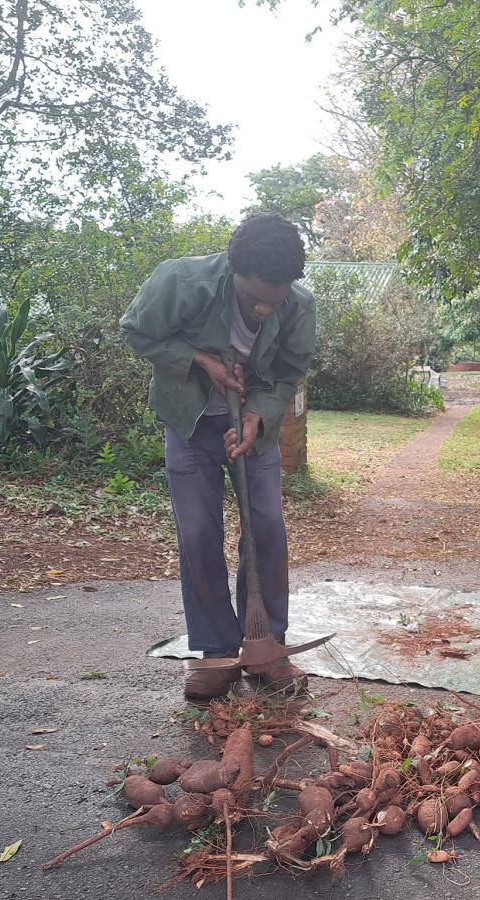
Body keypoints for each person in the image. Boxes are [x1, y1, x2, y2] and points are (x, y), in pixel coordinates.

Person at [120, 214, 316, 700]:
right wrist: (200, 360)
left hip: (251, 425)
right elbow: (138, 333)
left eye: (277, 299)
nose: (266, 310)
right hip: (189, 422)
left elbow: (288, 373)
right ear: (234, 270)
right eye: (255, 299)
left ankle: (266, 643)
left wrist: (257, 418)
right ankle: (216, 651)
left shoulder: (297, 305)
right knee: (199, 531)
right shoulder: (181, 282)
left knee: (267, 526)